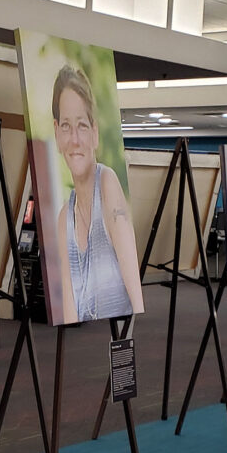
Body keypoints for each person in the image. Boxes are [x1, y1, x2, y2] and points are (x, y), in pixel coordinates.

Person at [51, 65, 143, 322]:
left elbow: (135, 293)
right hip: (89, 346)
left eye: (81, 125)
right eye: (67, 126)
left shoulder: (108, 183)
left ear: (94, 133)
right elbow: (69, 312)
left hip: (120, 334)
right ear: (57, 133)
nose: (75, 139)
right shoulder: (63, 220)